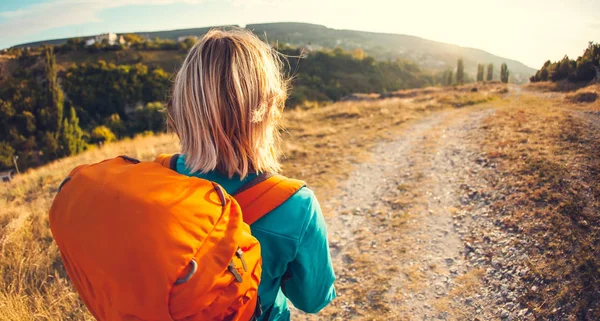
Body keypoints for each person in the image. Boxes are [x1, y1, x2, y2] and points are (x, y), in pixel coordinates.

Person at [166, 28, 336, 321]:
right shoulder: (296, 205)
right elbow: (314, 299)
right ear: (268, 107)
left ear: (185, 105)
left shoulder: (158, 178)